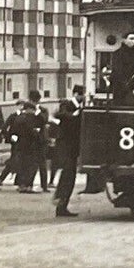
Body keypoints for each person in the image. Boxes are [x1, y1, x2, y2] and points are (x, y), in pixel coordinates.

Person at [54, 86, 85, 216]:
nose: (83, 97)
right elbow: (60, 114)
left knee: (70, 175)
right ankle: (60, 201)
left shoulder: (81, 108)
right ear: (76, 94)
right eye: (81, 95)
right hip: (65, 145)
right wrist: (73, 115)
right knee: (67, 173)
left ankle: (62, 204)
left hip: (73, 147)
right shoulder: (67, 104)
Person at [6, 96, 45, 193]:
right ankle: (28, 185)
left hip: (20, 145)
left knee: (22, 165)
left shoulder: (18, 118)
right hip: (31, 146)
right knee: (31, 166)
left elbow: (13, 131)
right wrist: (36, 133)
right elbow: (39, 125)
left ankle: (22, 185)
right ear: (30, 109)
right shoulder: (31, 118)